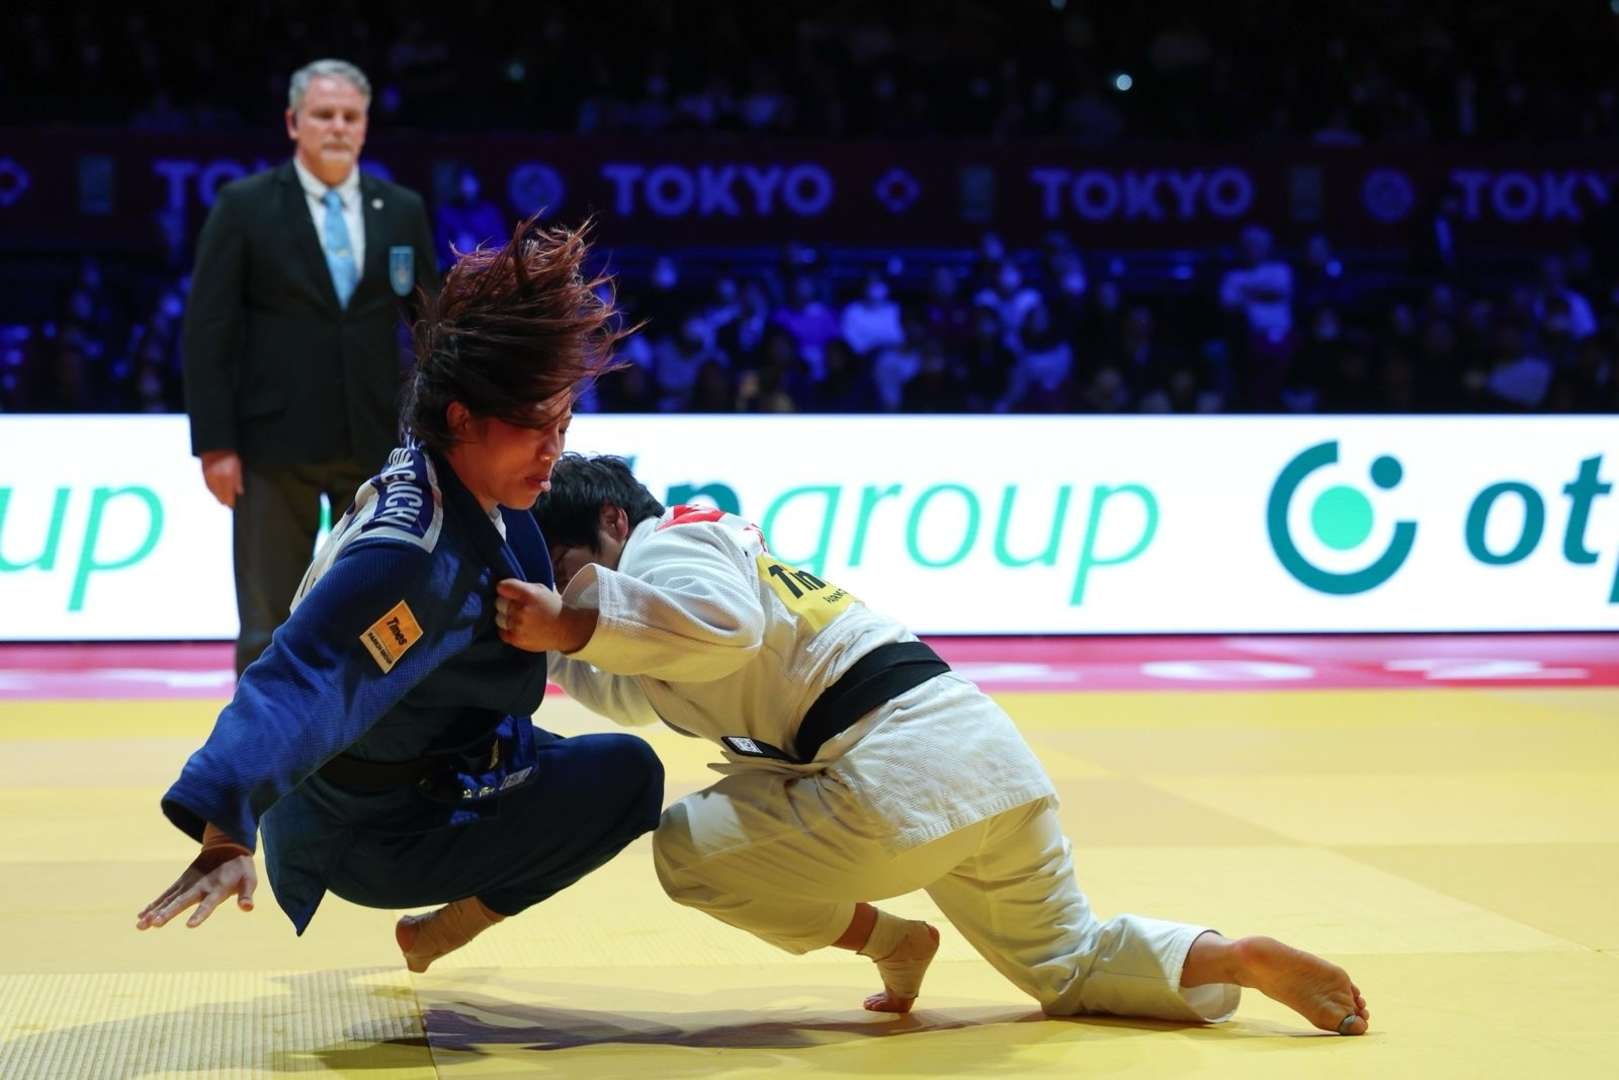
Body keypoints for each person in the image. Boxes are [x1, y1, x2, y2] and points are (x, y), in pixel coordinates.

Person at [498, 454, 1371, 1036]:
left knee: (688, 850)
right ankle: (1230, 960)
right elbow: (632, 677)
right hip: (981, 755)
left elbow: (716, 628)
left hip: (892, 770)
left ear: (614, 521)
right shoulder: (679, 582)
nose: (572, 590)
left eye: (568, 566)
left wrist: (570, 623)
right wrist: (544, 641)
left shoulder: (671, 546)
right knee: (1069, 966)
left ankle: (892, 942)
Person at [138, 221, 664, 977]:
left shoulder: (453, 473)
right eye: (534, 428)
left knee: (607, 759)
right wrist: (226, 822)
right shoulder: (413, 561)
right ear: (462, 418)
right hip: (374, 830)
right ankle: (452, 924)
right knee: (631, 779)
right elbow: (305, 674)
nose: (554, 450)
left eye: (563, 424)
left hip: (442, 752)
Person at [182, 58, 443, 677]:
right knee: (269, 617)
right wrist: (215, 444)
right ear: (293, 123)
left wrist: (437, 433)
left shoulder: (399, 208)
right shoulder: (244, 206)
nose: (338, 127)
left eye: (351, 116)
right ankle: (259, 736)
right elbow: (209, 330)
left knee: (379, 607)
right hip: (272, 443)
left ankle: (375, 729)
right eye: (324, 115)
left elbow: (429, 326)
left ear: (366, 125)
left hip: (375, 437)